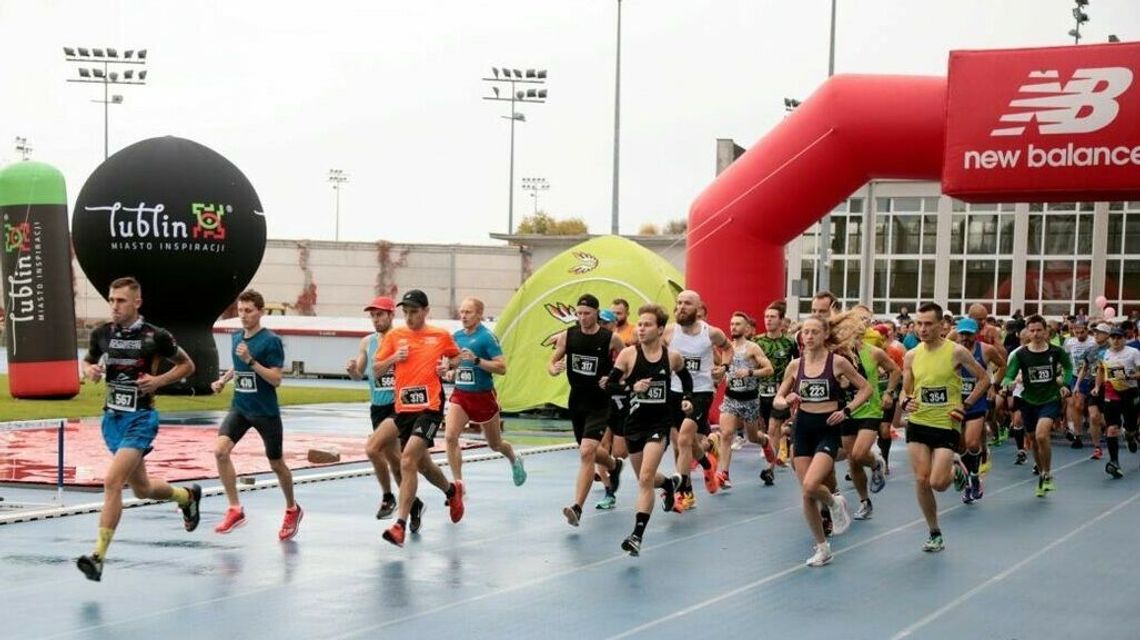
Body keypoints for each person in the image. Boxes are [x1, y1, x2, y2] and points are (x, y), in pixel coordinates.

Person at [76, 276, 201, 582]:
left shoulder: (156, 336)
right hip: (112, 420)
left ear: (136, 302)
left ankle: (98, 557)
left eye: (120, 300)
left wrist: (158, 381)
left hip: (141, 420)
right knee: (142, 489)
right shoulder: (102, 333)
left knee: (112, 482)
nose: (114, 306)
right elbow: (88, 360)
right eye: (111, 300)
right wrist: (89, 369)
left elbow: (187, 366)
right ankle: (187, 497)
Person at [774, 315, 872, 567]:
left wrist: (847, 410)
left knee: (810, 485)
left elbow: (866, 388)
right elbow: (778, 399)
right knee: (807, 495)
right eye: (805, 332)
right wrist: (787, 400)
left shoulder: (838, 362)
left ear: (825, 335)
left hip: (827, 428)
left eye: (814, 332)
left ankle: (834, 502)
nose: (808, 336)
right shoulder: (795, 366)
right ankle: (822, 547)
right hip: (802, 427)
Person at [210, 290, 302, 539]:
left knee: (276, 464)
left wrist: (251, 361)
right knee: (220, 451)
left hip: (265, 411)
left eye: (248, 311)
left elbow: (276, 379)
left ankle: (292, 509)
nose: (243, 315)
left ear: (260, 312)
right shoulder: (236, 336)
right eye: (240, 311)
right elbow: (237, 365)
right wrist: (223, 379)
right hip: (240, 407)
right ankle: (234, 508)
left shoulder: (271, 341)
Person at [603, 304, 693, 556]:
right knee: (648, 477)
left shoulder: (671, 357)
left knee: (644, 478)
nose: (641, 328)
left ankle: (636, 536)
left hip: (659, 424)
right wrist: (633, 388)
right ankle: (669, 483)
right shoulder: (628, 355)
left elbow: (686, 380)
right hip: (633, 424)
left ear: (660, 329)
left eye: (647, 324)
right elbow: (609, 386)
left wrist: (687, 398)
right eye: (639, 324)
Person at [377, 289, 466, 547]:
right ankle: (451, 491)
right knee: (424, 466)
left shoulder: (439, 335)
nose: (409, 317)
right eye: (405, 312)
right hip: (404, 409)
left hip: (430, 407)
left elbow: (457, 356)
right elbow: (376, 367)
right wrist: (395, 357)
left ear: (426, 311)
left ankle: (400, 524)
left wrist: (448, 366)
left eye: (414, 312)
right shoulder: (395, 336)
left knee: (407, 461)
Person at [900, 302, 991, 553]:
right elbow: (905, 391)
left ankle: (956, 471)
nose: (922, 329)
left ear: (942, 326)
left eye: (928, 324)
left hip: (945, 423)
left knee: (938, 483)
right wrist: (905, 401)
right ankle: (934, 532)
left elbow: (984, 378)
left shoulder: (956, 352)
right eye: (919, 323)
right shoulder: (911, 355)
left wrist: (967, 404)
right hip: (918, 422)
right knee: (921, 480)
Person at [548, 293, 625, 526]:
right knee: (587, 449)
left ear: (597, 314)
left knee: (586, 452)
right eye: (579, 313)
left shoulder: (611, 339)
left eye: (587, 314)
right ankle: (614, 465)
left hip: (600, 402)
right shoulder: (567, 336)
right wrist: (556, 367)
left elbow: (628, 365)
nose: (582, 318)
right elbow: (551, 364)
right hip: (577, 401)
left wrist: (613, 379)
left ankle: (577, 508)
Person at [443, 297, 525, 489]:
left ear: (479, 315)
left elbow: (502, 368)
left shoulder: (487, 337)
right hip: (461, 395)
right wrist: (449, 370)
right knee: (450, 437)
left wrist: (477, 361)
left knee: (495, 444)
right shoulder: (456, 337)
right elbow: (453, 363)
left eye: (468, 312)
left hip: (483, 396)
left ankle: (514, 458)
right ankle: (458, 484)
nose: (463, 316)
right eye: (461, 311)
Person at [663, 290, 729, 511]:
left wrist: (724, 368)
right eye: (679, 303)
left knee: (684, 440)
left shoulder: (711, 333)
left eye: (687, 303)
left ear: (698, 308)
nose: (681, 307)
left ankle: (683, 494)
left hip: (701, 392)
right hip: (673, 391)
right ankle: (706, 463)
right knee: (681, 444)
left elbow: (728, 348)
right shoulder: (669, 331)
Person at [999, 314, 1072, 498]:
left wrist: (1065, 384)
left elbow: (1069, 367)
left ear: (1046, 331)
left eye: (1039, 330)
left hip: (1050, 399)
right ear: (1027, 332)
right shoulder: (1021, 354)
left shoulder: (1056, 352)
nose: (1036, 333)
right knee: (1032, 438)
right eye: (1032, 330)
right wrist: (1009, 382)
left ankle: (1047, 473)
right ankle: (1041, 473)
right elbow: (1009, 374)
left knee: (1041, 435)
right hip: (1028, 401)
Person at [346, 295, 403, 519]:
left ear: (391, 315)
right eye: (373, 315)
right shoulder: (367, 342)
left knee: (372, 449)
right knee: (395, 462)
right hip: (378, 406)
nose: (376, 319)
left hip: (398, 406)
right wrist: (351, 370)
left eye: (380, 314)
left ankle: (388, 496)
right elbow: (359, 375)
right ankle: (414, 502)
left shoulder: (401, 339)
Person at [716, 311, 774, 488]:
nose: (733, 327)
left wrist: (750, 372)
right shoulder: (726, 349)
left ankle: (765, 441)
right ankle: (724, 474)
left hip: (749, 400)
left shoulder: (752, 348)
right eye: (732, 324)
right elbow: (722, 371)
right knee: (726, 434)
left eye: (737, 324)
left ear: (747, 328)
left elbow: (769, 369)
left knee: (753, 437)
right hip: (731, 397)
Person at [953, 317, 1006, 504]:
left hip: (976, 403)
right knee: (960, 447)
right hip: (956, 403)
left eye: (969, 334)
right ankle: (968, 482)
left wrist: (994, 385)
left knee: (972, 443)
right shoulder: (952, 350)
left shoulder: (986, 350)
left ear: (976, 334)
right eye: (962, 334)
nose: (965, 338)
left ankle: (975, 476)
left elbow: (1002, 365)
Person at [755, 301, 798, 486]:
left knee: (774, 429)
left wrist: (793, 388)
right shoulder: (757, 342)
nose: (768, 320)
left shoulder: (789, 342)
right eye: (766, 317)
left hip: (780, 392)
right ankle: (771, 455)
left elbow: (798, 365)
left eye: (772, 317)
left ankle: (769, 469)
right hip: (760, 392)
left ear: (781, 321)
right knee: (763, 431)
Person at [1094, 325, 1140, 479]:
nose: (1115, 341)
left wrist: (1130, 376)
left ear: (1124, 339)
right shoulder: (1104, 353)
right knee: (1112, 428)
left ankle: (1130, 436)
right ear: (1109, 339)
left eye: (1119, 338)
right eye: (1113, 338)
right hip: (1111, 394)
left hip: (1130, 392)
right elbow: (1101, 370)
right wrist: (1097, 386)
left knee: (1131, 427)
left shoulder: (1133, 352)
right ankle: (1114, 462)